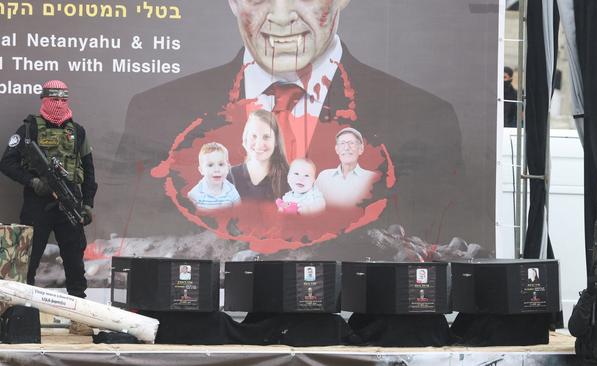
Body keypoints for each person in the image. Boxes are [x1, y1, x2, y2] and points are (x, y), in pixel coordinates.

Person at [108, 0, 463, 256]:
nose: (280, 17)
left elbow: (440, 247)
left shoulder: (426, 118)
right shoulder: (155, 112)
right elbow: (131, 241)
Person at [0, 80, 97, 335]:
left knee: (75, 261)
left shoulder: (78, 132)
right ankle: (23, 319)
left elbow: (88, 171)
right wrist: (32, 181)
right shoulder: (28, 129)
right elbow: (7, 163)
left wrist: (87, 204)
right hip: (37, 203)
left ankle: (80, 317)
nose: (58, 105)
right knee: (27, 262)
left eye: (63, 100)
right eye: (54, 99)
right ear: (43, 99)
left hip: (69, 201)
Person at [230, 110, 290, 201]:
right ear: (245, 138)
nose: (259, 144)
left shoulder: (291, 177)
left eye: (266, 137)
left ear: (276, 141)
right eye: (254, 136)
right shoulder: (230, 175)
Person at [316, 127, 378, 208]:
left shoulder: (372, 179)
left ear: (361, 149)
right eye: (342, 143)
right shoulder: (324, 177)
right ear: (337, 149)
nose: (346, 148)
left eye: (351, 143)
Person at [188, 142, 241, 210]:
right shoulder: (195, 194)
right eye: (210, 165)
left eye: (221, 164)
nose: (216, 169)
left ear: (228, 168)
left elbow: (239, 211)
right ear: (201, 170)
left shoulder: (231, 190)